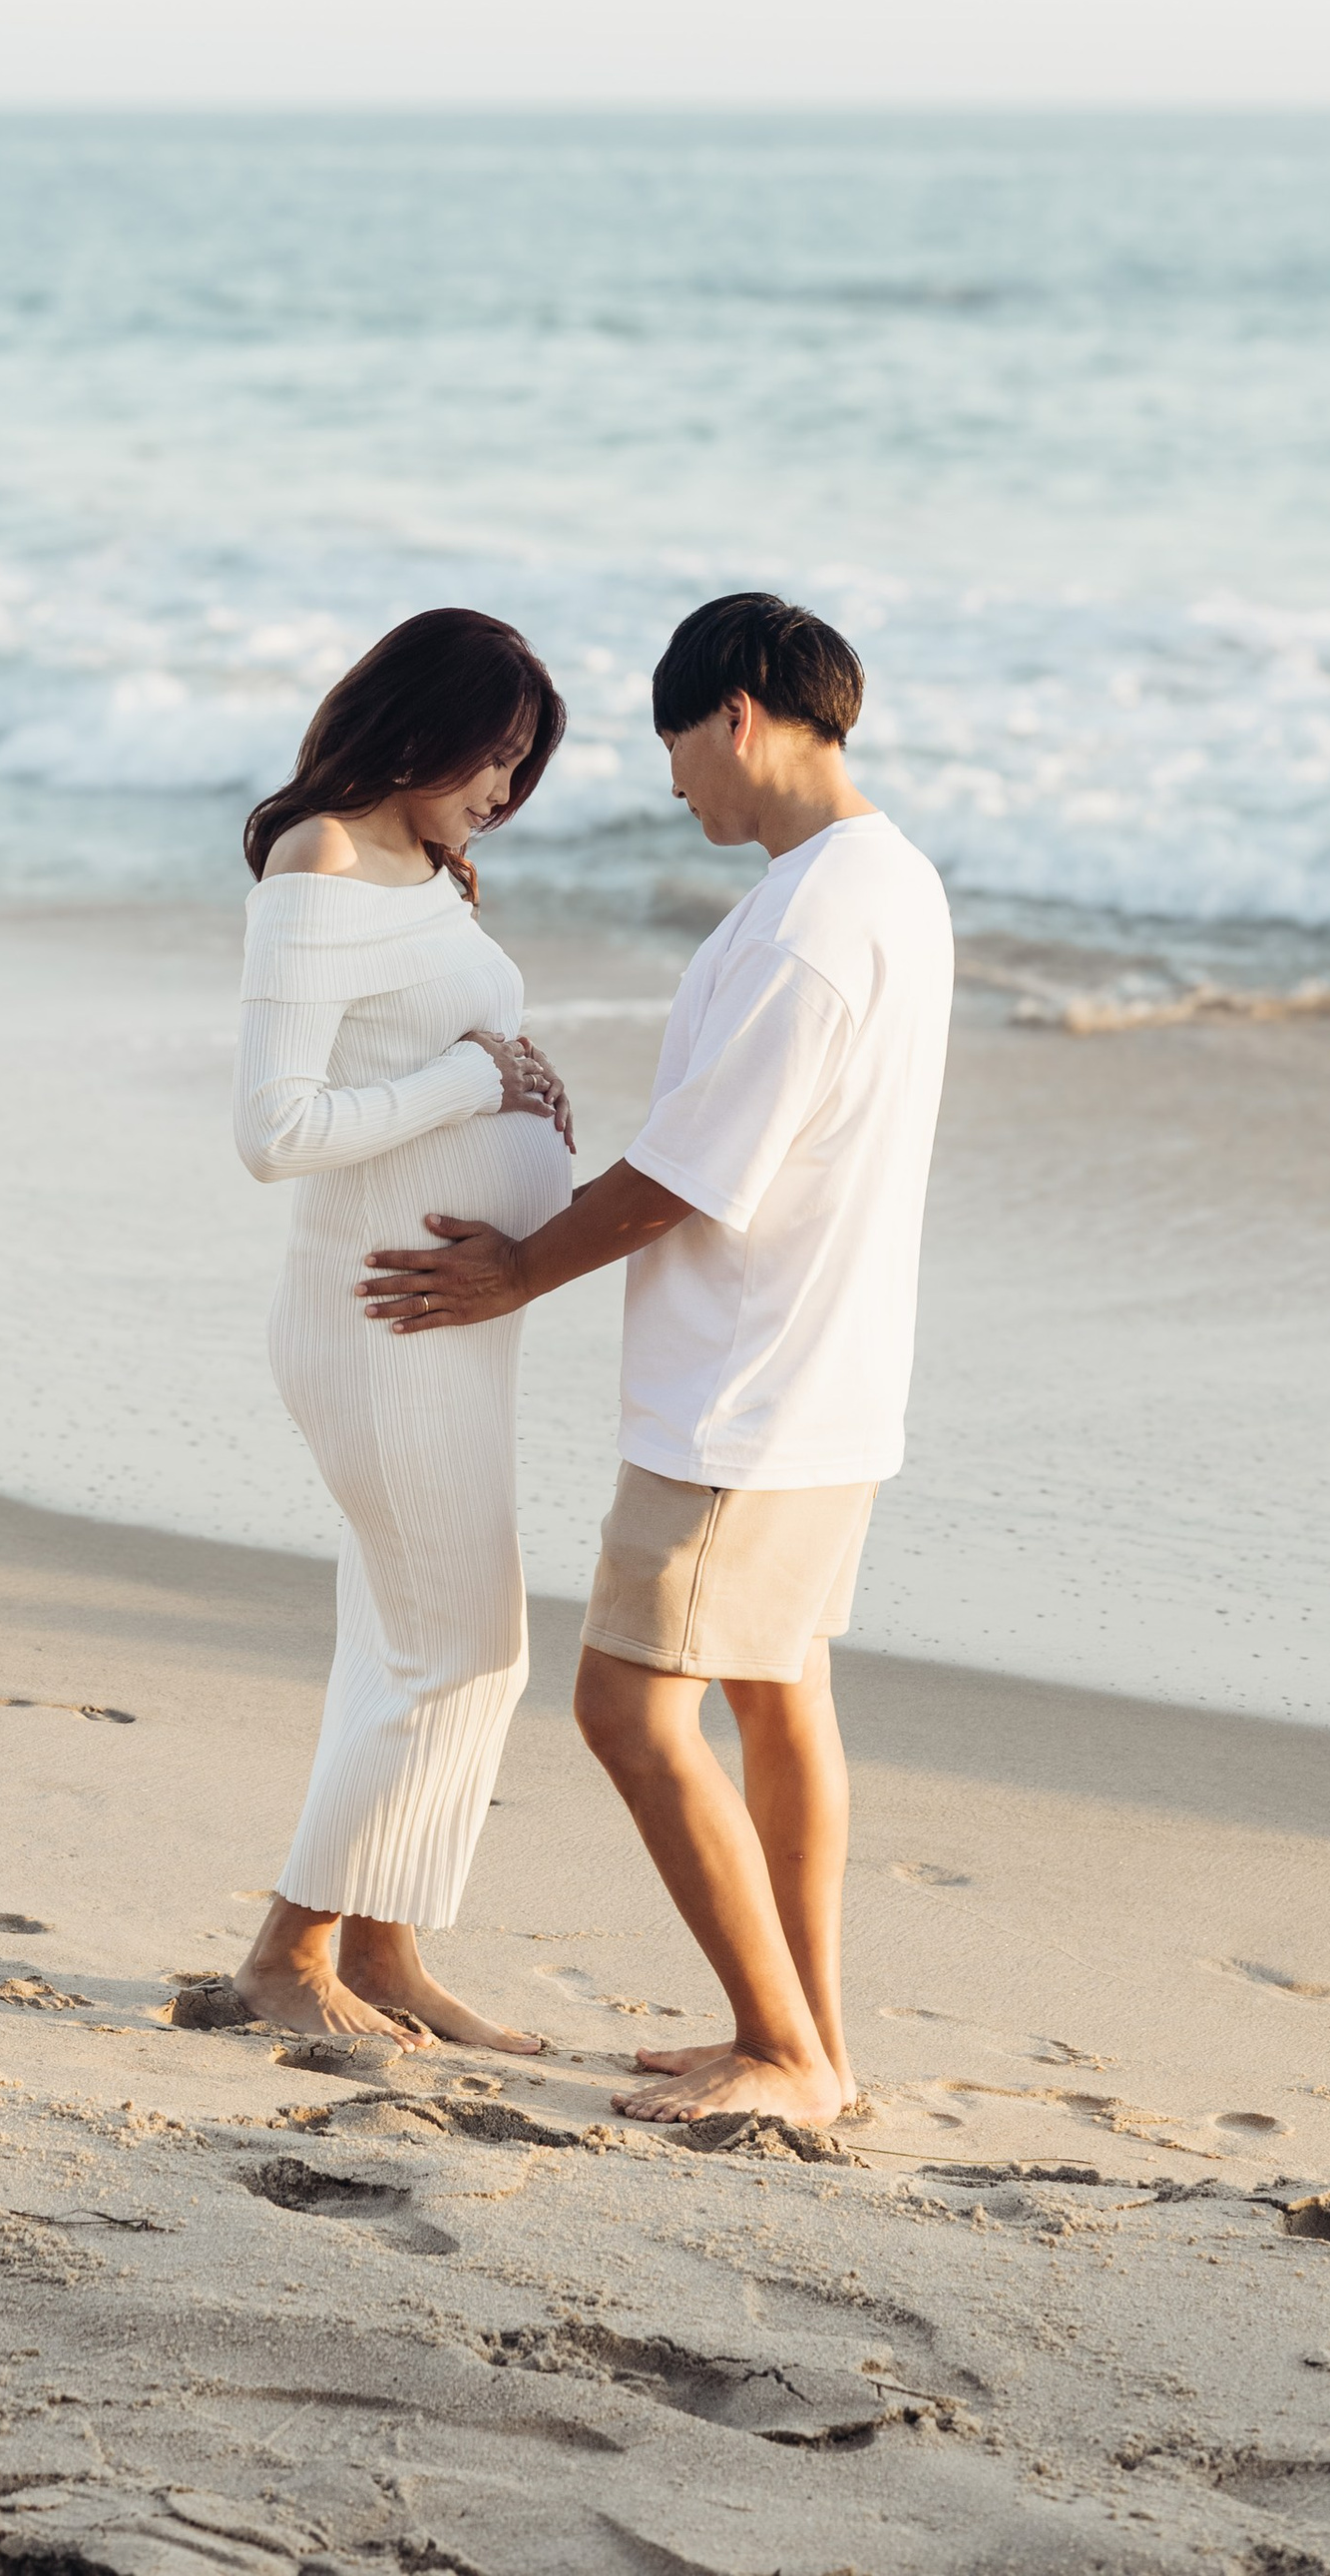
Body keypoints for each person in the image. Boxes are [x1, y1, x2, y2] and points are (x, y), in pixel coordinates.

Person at [363, 591, 952, 2126]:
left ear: (739, 715)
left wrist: (515, 1274)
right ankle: (811, 2043)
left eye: (677, 746)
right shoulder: (886, 880)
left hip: (742, 1398)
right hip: (828, 1375)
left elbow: (693, 1166)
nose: (676, 779)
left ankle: (784, 2051)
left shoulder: (813, 927)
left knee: (628, 1708)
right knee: (776, 1697)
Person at [229, 606, 581, 2052]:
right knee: (468, 1647)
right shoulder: (317, 861)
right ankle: (282, 1954)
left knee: (401, 1640)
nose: (502, 790)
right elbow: (276, 1130)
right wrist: (476, 1082)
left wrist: (515, 1086)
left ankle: (383, 1950)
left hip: (446, 1325)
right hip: (376, 1318)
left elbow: (455, 1055)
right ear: (415, 725)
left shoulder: (428, 866)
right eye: (489, 754)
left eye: (522, 765)